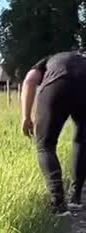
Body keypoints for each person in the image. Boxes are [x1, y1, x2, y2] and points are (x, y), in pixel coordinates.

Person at [21, 50, 86, 216]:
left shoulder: (48, 60)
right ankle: (75, 198)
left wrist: (26, 116)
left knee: (45, 145)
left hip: (57, 84)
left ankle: (58, 204)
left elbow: (29, 80)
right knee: (82, 140)